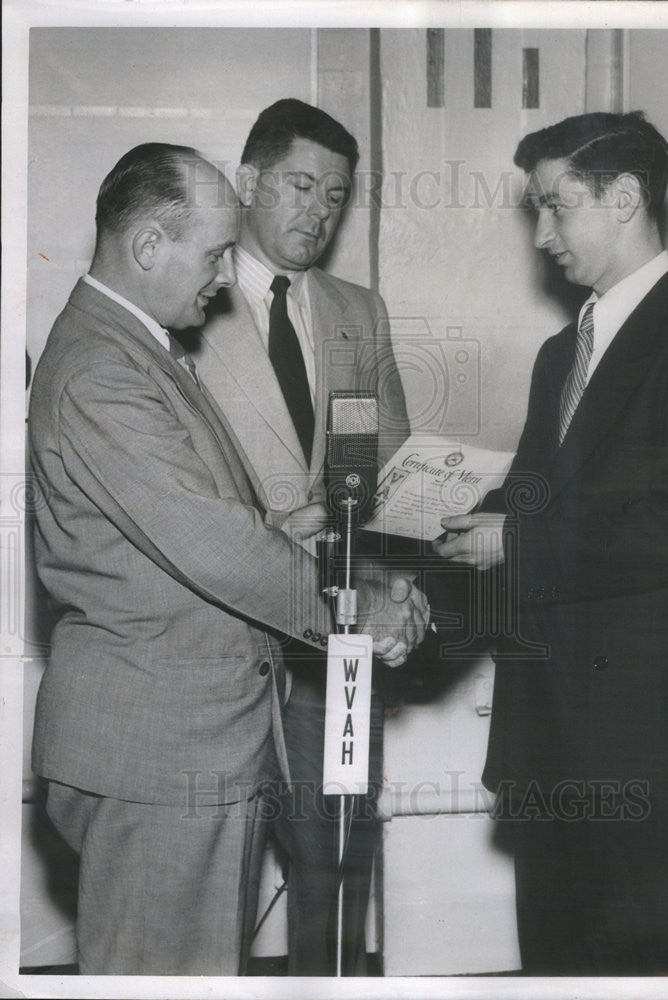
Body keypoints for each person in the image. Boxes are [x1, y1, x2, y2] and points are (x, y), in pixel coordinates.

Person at [27, 142, 427, 976]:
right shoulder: (104, 370)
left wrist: (298, 525)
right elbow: (211, 545)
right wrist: (359, 611)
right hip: (160, 751)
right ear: (147, 248)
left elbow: (206, 522)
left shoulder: (141, 349)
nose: (220, 278)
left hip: (191, 740)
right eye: (212, 255)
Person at [433, 112, 668, 975]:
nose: (541, 235)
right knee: (554, 964)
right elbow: (543, 499)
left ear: (624, 199)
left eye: (556, 207)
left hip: (658, 749)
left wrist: (515, 540)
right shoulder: (562, 353)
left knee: (654, 973)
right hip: (548, 737)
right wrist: (435, 526)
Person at [190, 99, 410, 975]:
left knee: (335, 855)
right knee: (217, 863)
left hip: (340, 642)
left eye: (337, 195)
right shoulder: (186, 305)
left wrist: (396, 579)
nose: (318, 211)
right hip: (223, 636)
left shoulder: (361, 310)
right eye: (301, 185)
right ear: (249, 182)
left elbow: (383, 474)